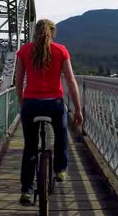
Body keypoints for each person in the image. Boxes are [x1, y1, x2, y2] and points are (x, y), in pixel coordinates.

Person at [15, 19, 83, 204]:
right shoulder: (61, 50)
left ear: (35, 32)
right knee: (61, 134)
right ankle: (60, 169)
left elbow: (19, 82)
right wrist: (77, 109)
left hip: (31, 105)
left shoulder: (24, 51)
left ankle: (27, 191)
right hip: (54, 104)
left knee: (30, 146)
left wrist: (23, 105)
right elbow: (70, 81)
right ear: (51, 33)